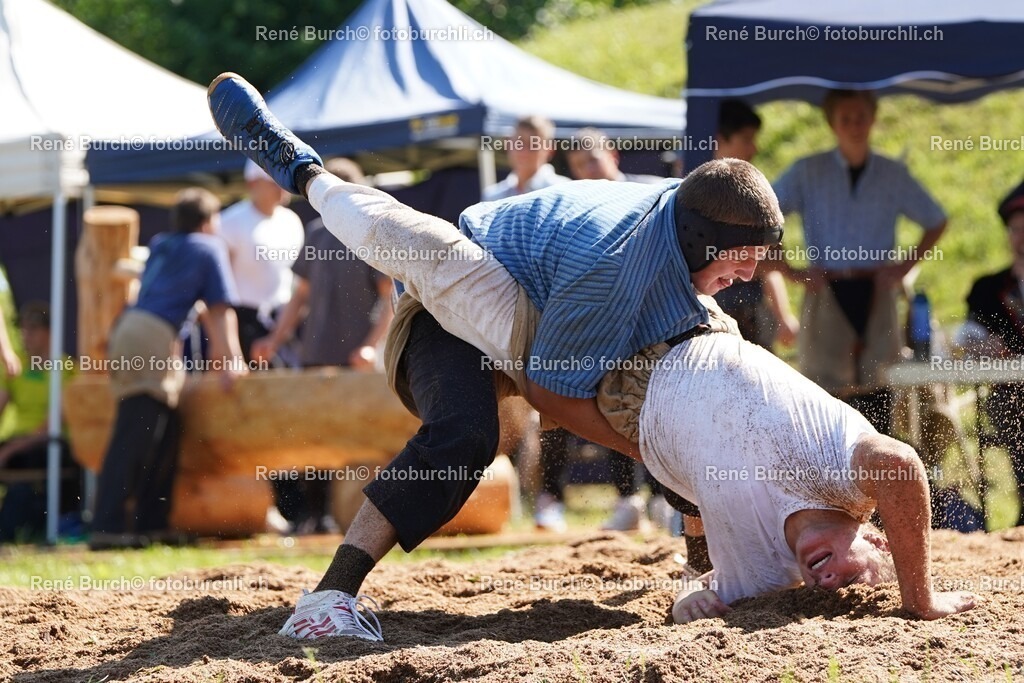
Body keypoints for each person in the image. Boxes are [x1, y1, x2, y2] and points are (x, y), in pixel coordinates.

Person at [208, 72, 782, 640]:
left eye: (760, 255)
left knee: (692, 398)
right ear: (698, 238)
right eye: (742, 253)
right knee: (465, 431)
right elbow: (548, 392)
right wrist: (649, 449)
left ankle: (704, 569)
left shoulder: (680, 229)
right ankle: (329, 596)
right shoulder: (612, 264)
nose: (751, 273)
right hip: (459, 304)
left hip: (551, 303)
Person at [773, 90, 947, 436]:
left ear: (872, 119)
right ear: (832, 124)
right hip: (826, 289)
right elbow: (765, 216)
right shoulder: (808, 171)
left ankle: (877, 476)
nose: (854, 126)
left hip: (876, 289)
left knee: (879, 385)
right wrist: (790, 271)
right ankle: (827, 480)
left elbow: (935, 219)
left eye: (861, 117)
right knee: (823, 389)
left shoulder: (891, 173)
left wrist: (902, 268)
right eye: (845, 119)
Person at [90, 188, 248, 550]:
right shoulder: (210, 247)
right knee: (136, 430)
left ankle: (152, 523)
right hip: (151, 335)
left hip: (132, 329)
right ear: (209, 221)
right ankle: (107, 526)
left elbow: (196, 308)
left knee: (165, 429)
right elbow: (220, 310)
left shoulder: (163, 243)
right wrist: (233, 360)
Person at [252, 158, 394, 534]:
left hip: (357, 367)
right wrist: (274, 339)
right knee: (314, 438)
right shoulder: (315, 233)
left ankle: (355, 522)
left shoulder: (370, 234)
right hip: (315, 358)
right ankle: (315, 517)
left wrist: (370, 347)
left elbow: (390, 300)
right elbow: (300, 297)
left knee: (356, 442)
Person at [561, 126, 672, 533]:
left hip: (657, 319)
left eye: (591, 159)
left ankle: (666, 500)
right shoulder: (574, 209)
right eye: (577, 165)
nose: (586, 171)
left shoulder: (655, 193)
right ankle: (629, 499)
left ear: (613, 155)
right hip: (605, 326)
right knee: (613, 406)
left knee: (658, 407)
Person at [711, 100, 799, 350]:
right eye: (747, 139)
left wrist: (783, 315)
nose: (754, 148)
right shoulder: (683, 194)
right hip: (708, 315)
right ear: (720, 140)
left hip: (753, 315)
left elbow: (770, 260)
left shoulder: (753, 194)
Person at [962, 184, 1024, 526]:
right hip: (1011, 395)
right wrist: (981, 345)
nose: (1022, 238)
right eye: (1016, 230)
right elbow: (967, 336)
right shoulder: (988, 288)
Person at [0, 303, 79, 542]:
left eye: (33, 329)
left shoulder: (67, 369)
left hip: (49, 444)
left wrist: (10, 450)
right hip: (17, 445)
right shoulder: (17, 367)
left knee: (38, 454)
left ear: (50, 332)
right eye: (23, 329)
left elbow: (52, 424)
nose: (26, 335)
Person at [219, 160, 306, 363]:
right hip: (242, 323)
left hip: (283, 323)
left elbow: (296, 284)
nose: (282, 188)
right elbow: (217, 289)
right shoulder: (228, 223)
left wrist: (278, 334)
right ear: (252, 184)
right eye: (274, 182)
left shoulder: (291, 221)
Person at [483, 115, 569, 201]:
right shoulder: (493, 196)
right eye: (519, 143)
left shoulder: (563, 191)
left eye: (534, 145)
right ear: (508, 144)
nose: (524, 151)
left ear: (550, 150)